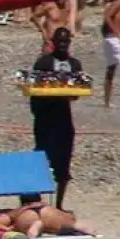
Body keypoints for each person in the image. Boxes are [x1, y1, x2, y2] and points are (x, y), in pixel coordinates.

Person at [31, 28, 82, 210]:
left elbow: (76, 93)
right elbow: (34, 91)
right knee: (41, 158)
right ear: (53, 42)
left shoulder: (75, 64)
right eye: (59, 42)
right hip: (45, 118)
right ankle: (36, 200)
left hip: (63, 118)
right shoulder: (43, 62)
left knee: (63, 161)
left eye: (65, 42)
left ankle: (58, 205)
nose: (62, 45)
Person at [0, 193, 96, 238]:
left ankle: (36, 227)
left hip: (27, 217)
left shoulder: (20, 210)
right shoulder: (47, 206)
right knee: (70, 222)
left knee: (33, 226)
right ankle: (79, 227)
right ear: (40, 199)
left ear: (23, 202)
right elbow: (70, 216)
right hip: (49, 214)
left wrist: (7, 229)